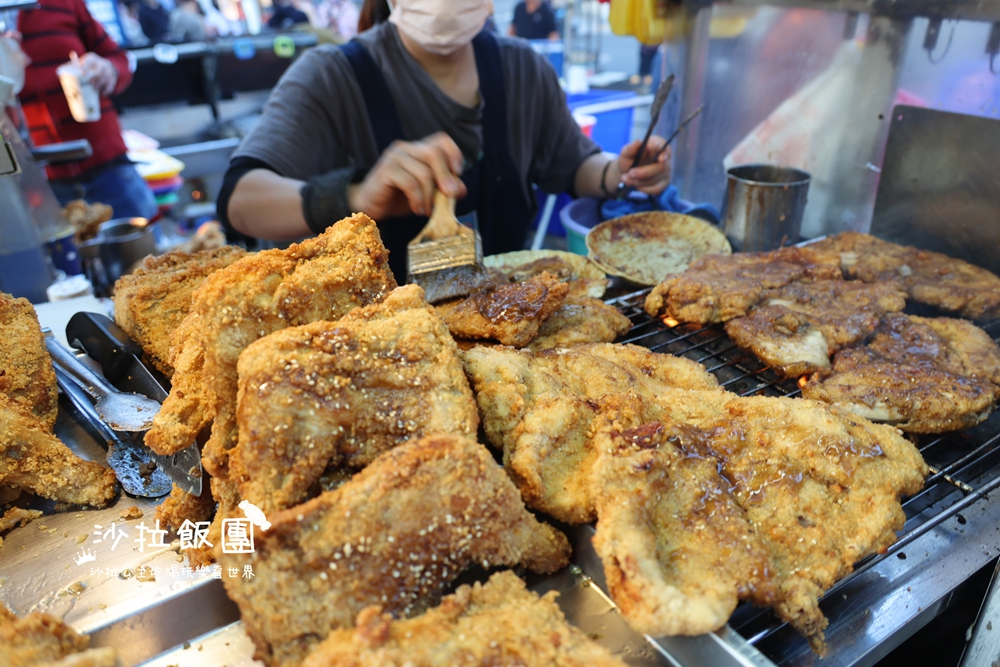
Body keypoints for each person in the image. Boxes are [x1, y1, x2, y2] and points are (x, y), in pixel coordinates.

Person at [219, 0, 671, 278]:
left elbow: (573, 165)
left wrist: (619, 172)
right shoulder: (332, 77)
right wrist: (352, 195)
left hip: (509, 329)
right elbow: (240, 201)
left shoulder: (523, 69)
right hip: (381, 354)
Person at [17, 0, 158, 220]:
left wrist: (108, 69)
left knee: (144, 238)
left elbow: (119, 58)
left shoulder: (63, 3)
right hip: (41, 183)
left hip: (108, 166)